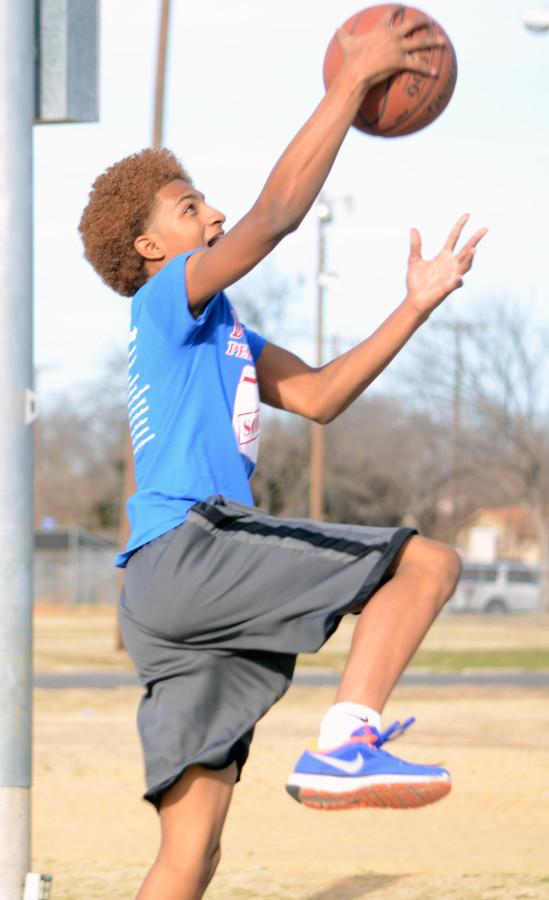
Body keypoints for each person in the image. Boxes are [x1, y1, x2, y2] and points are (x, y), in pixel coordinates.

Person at [79, 12, 487, 900]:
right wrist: (353, 82)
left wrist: (412, 305)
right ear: (151, 245)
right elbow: (274, 216)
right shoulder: (162, 298)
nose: (212, 211)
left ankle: (342, 741)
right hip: (193, 548)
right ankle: (346, 741)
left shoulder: (221, 331)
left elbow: (323, 397)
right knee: (423, 564)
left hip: (162, 594)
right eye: (190, 208)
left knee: (192, 855)